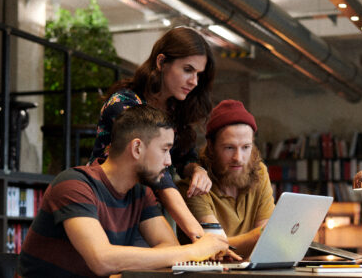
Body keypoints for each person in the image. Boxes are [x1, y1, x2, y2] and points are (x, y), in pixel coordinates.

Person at [19, 105, 229, 277]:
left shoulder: (140, 192)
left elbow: (168, 247)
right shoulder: (74, 185)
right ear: (137, 148)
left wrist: (120, 262)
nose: (169, 162)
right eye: (165, 150)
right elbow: (101, 260)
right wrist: (195, 250)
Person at [90, 27, 214, 241]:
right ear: (161, 62)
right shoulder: (124, 103)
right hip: (113, 204)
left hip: (151, 209)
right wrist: (199, 235)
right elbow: (159, 174)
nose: (194, 81)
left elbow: (185, 157)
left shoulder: (176, 108)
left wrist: (197, 170)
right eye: (187, 70)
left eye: (198, 74)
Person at [177, 100, 275, 257]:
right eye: (229, 148)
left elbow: (268, 247)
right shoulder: (194, 186)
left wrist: (269, 235)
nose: (238, 158)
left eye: (246, 147)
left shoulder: (259, 172)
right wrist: (262, 234)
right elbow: (217, 248)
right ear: (211, 146)